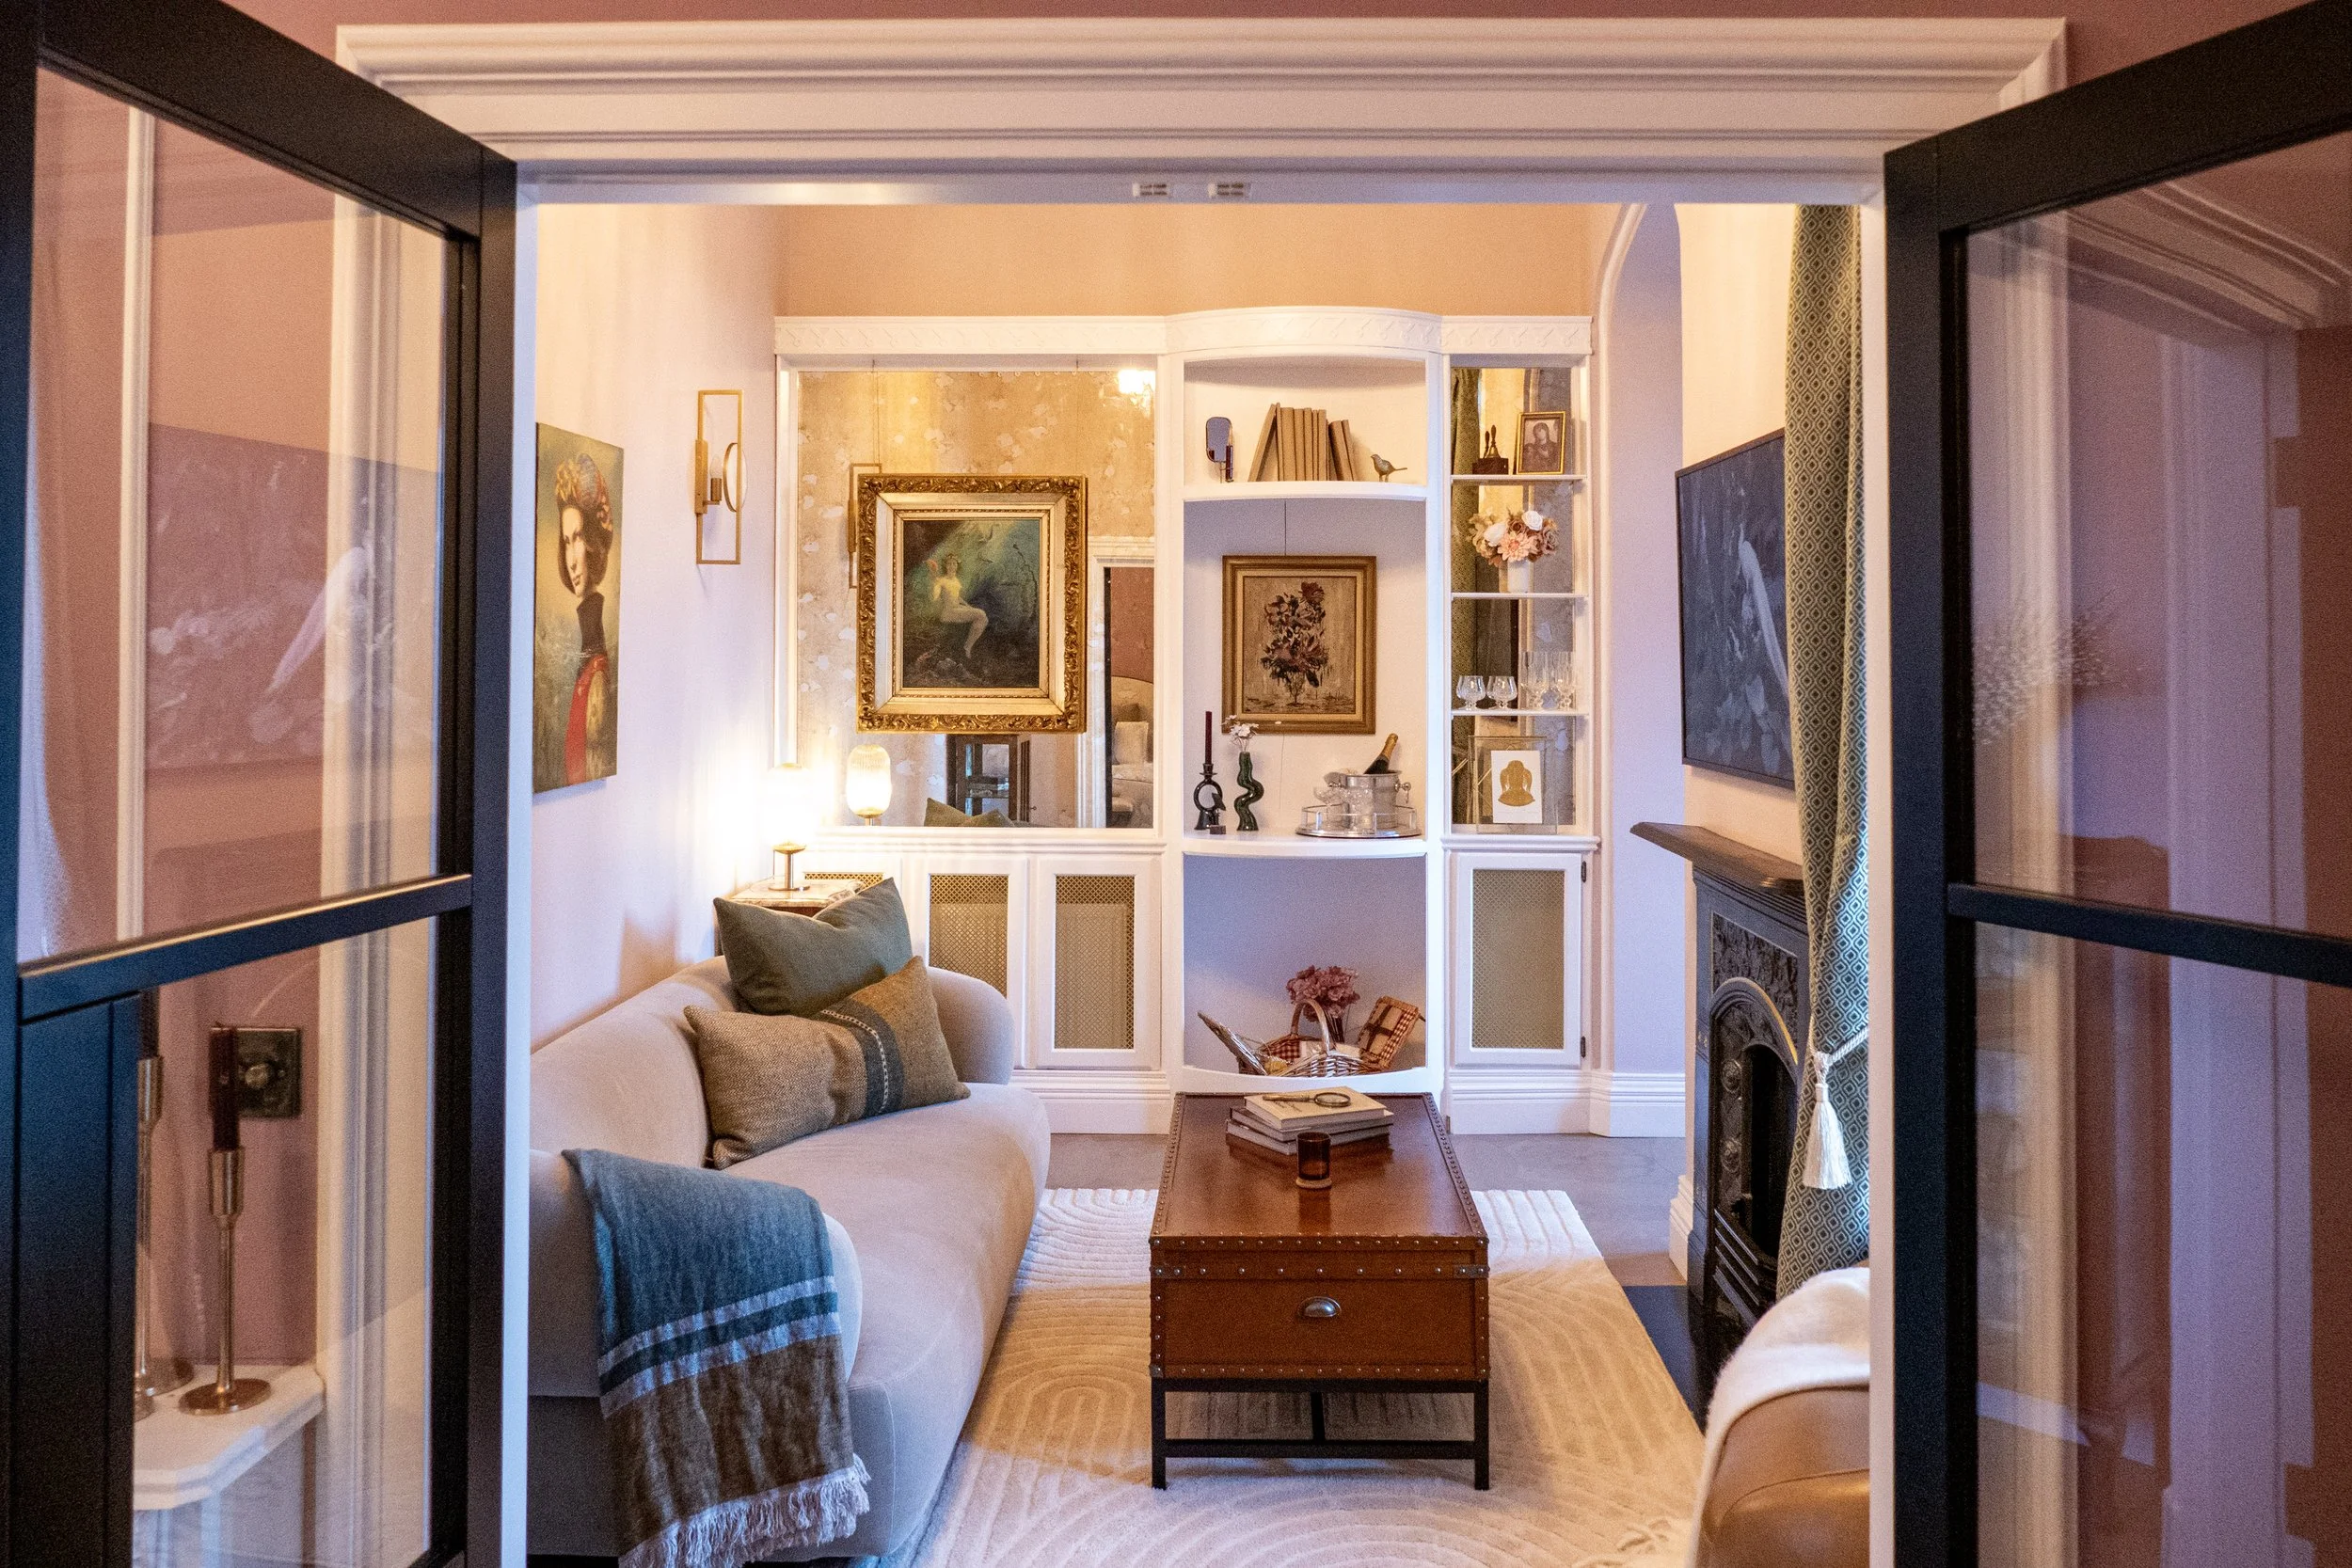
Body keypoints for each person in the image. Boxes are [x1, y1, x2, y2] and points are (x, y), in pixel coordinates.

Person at [554, 452, 615, 784]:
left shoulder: (597, 671)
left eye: (577, 537)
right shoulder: (589, 663)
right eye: (566, 541)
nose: (572, 560)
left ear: (593, 542)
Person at [930, 551, 989, 657]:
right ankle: (967, 647)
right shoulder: (941, 580)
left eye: (954, 564)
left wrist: (968, 606)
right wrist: (936, 584)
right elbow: (935, 596)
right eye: (949, 564)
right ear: (945, 566)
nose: (952, 566)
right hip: (950, 612)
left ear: (957, 566)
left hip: (958, 608)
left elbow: (957, 597)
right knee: (981, 614)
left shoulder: (956, 580)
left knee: (983, 617)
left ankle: (968, 646)